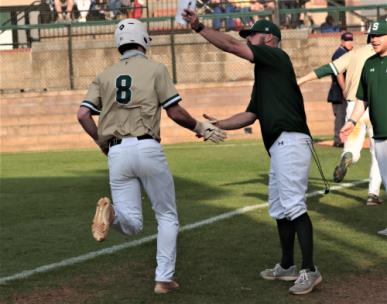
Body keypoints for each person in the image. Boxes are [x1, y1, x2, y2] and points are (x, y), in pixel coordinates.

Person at [77, 18, 226, 294]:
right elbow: (175, 112)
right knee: (167, 216)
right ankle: (163, 279)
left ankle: (111, 216)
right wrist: (199, 126)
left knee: (131, 224)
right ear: (143, 40)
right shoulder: (156, 69)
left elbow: (83, 114)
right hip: (147, 146)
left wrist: (101, 142)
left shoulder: (103, 75)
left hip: (117, 152)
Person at [182, 10, 322, 295]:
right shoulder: (265, 74)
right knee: (280, 207)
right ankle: (287, 266)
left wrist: (198, 27)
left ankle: (310, 270)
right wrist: (217, 124)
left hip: (291, 141)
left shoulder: (277, 57)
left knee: (294, 205)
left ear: (269, 38)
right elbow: (250, 115)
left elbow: (231, 46)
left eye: (253, 36)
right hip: (281, 145)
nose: (248, 40)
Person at [297, 37, 383, 206]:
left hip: (353, 108)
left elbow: (329, 68)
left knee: (352, 148)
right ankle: (373, 194)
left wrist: (300, 80)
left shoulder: (354, 54)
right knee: (378, 155)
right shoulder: (382, 55)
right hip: (377, 108)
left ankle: (348, 156)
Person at [340, 19, 387, 236]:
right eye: (372, 36)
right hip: (379, 135)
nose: (374, 39)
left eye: (379, 35)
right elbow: (362, 100)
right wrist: (351, 122)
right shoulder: (369, 64)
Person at [328, 31, 354, 148]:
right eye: (347, 40)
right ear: (342, 42)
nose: (350, 42)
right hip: (339, 90)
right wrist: (344, 89)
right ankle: (338, 140)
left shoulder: (346, 52)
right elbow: (339, 74)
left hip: (341, 89)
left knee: (343, 115)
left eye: (351, 40)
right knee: (340, 115)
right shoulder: (340, 53)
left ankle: (341, 139)